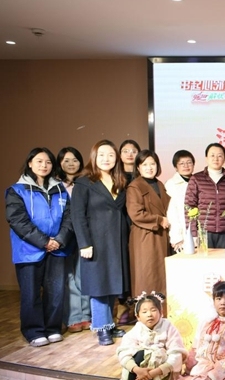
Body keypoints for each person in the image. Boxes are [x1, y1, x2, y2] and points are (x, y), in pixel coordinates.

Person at [6, 147, 72, 347]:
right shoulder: (17, 190)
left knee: (56, 292)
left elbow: (69, 217)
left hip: (57, 248)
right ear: (30, 163)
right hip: (29, 251)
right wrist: (45, 241)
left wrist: (59, 240)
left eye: (48, 162)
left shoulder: (59, 189)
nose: (44, 165)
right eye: (39, 161)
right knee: (31, 293)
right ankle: (33, 331)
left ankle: (52, 328)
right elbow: (18, 221)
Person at [71, 140, 130, 346]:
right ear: (94, 157)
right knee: (98, 286)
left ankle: (109, 324)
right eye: (102, 154)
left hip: (116, 241)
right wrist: (84, 243)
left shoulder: (120, 181)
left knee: (112, 284)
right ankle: (101, 327)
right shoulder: (84, 183)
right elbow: (77, 215)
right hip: (94, 242)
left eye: (111, 155)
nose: (106, 159)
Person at [105, 292, 186, 380]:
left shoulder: (168, 327)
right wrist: (138, 370)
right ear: (137, 316)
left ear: (161, 312)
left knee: (155, 355)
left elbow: (176, 353)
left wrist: (154, 372)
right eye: (144, 311)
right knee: (140, 354)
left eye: (153, 310)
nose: (149, 314)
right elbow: (123, 352)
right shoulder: (136, 330)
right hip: (139, 372)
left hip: (160, 372)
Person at [126, 151, 171, 308]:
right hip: (145, 237)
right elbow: (136, 214)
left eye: (152, 164)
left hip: (160, 235)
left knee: (160, 275)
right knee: (146, 276)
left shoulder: (160, 184)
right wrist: (159, 220)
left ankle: (160, 312)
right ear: (138, 167)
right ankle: (145, 313)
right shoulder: (135, 186)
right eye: (144, 164)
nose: (149, 167)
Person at [56, 147, 91, 332]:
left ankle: (86, 315)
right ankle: (74, 317)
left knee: (83, 274)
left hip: (82, 235)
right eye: (66, 160)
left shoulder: (86, 183)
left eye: (75, 160)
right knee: (68, 276)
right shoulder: (55, 185)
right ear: (59, 163)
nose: (71, 164)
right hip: (63, 235)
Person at [184, 142, 225, 249]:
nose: (216, 159)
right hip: (204, 232)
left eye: (220, 156)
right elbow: (189, 207)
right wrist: (193, 233)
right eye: (212, 155)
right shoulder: (196, 179)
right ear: (206, 158)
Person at [164, 150, 195, 253]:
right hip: (180, 237)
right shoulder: (171, 184)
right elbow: (171, 213)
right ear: (175, 167)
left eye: (189, 162)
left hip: (197, 234)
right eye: (182, 163)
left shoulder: (198, 182)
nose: (186, 166)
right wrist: (176, 237)